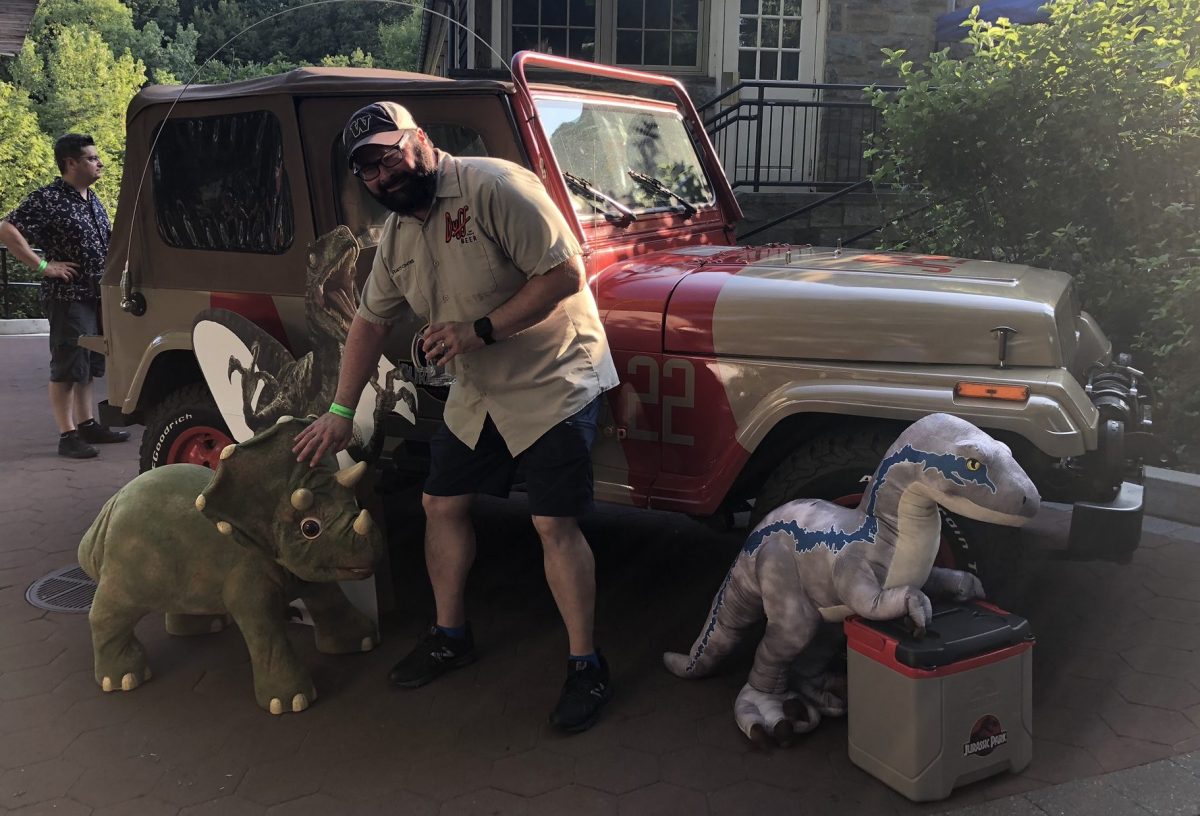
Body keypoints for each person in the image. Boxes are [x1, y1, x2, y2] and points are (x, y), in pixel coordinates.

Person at [292, 102, 619, 733]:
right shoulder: (397, 234)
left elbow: (565, 274)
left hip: (553, 378)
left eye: (388, 155)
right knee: (440, 504)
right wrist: (339, 410)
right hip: (481, 388)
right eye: (366, 168)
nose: (381, 173)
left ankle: (586, 664)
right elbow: (370, 321)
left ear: (419, 140)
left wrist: (480, 330)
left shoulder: (494, 188)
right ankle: (450, 636)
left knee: (552, 522)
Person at [0, 134, 129, 458]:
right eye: (92, 158)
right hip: (67, 296)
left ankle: (87, 424)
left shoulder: (91, 199)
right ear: (71, 163)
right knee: (67, 363)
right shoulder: (48, 198)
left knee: (87, 362)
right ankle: (67, 434)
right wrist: (43, 266)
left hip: (95, 296)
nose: (100, 163)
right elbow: (6, 229)